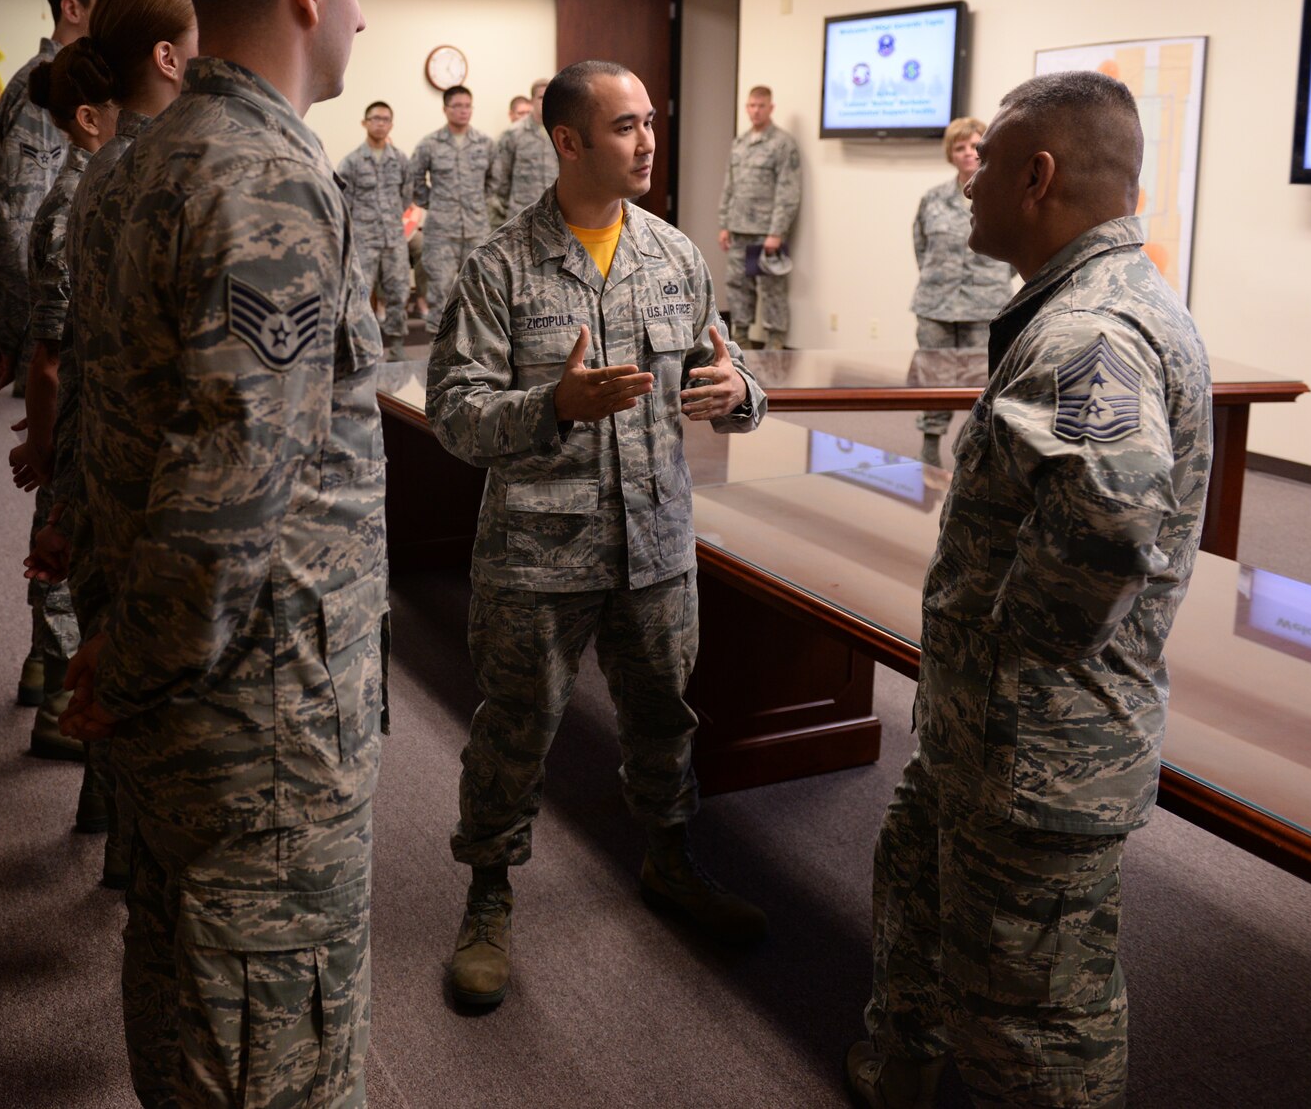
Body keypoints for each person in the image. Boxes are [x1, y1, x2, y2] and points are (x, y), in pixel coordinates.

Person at [53, 0, 384, 1106]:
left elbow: (107, 431)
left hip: (173, 691)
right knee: (267, 1045)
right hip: (260, 724)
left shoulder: (135, 158)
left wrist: (113, 656)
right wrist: (131, 674)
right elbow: (223, 505)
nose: (362, 12)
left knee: (188, 983)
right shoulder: (271, 179)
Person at [847, 71, 1212, 1109]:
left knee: (1036, 1023)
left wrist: (1009, 654)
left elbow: (1108, 520)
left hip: (1033, 750)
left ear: (1037, 176)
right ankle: (899, 1068)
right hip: (988, 736)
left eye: (987, 171)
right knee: (914, 879)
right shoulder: (1081, 303)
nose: (967, 189)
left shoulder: (1085, 333)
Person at [425, 60, 771, 1010]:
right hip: (538, 556)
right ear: (568, 141)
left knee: (665, 717)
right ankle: (489, 896)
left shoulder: (675, 256)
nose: (648, 140)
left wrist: (740, 395)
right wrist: (554, 404)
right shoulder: (500, 266)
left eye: (651, 121)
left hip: (655, 546)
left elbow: (734, 376)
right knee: (514, 731)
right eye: (625, 126)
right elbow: (454, 415)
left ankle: (669, 857)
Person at [33, 0, 196, 904]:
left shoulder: (99, 178)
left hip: (105, 487)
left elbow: (86, 369)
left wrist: (61, 501)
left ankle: (120, 841)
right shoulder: (152, 177)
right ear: (170, 57)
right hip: (144, 502)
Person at [14, 48, 117, 809]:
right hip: (79, 434)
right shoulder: (76, 204)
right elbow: (49, 359)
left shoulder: (101, 190)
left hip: (88, 424)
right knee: (77, 595)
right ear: (88, 120)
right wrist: (45, 455)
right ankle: (58, 713)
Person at [0, 0, 127, 395]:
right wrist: (16, 331)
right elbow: (21, 222)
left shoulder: (88, 82)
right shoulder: (51, 88)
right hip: (58, 327)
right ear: (73, 8)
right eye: (109, 1)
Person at [910, 115, 1015, 466]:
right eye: (960, 147)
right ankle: (930, 440)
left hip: (984, 306)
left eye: (974, 145)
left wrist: (992, 281)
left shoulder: (1004, 196)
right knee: (932, 376)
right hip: (936, 304)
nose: (968, 153)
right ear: (950, 154)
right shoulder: (933, 199)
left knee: (982, 381)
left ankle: (973, 445)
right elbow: (921, 246)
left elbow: (1014, 253)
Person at [717, 84, 802, 349]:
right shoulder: (740, 143)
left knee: (771, 290)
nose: (755, 111)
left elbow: (788, 191)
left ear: (771, 108)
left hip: (766, 233)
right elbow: (729, 185)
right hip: (739, 229)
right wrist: (725, 224)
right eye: (751, 106)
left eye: (761, 106)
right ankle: (741, 342)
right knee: (737, 287)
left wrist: (777, 232)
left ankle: (776, 345)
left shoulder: (782, 144)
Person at [408, 83, 493, 319]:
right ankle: (438, 353)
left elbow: (495, 181)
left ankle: (475, 352)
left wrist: (479, 202)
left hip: (476, 229)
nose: (463, 110)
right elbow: (413, 178)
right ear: (445, 109)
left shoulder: (485, 144)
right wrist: (432, 202)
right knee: (440, 294)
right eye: (457, 106)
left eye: (467, 106)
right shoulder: (430, 144)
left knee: (479, 293)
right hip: (441, 233)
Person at [334, 100, 411, 351]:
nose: (380, 124)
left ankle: (397, 344)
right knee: (361, 291)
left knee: (398, 291)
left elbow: (406, 195)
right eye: (375, 119)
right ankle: (363, 343)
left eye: (385, 119)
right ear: (365, 123)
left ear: (392, 124)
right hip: (364, 239)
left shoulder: (399, 160)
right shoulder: (351, 162)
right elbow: (343, 201)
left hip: (394, 238)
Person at [487, 76, 556, 223]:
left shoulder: (562, 132)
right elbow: (501, 177)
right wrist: (505, 208)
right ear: (531, 101)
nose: (546, 101)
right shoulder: (514, 133)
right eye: (541, 97)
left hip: (555, 213)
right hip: (522, 213)